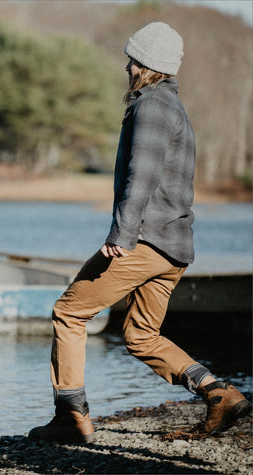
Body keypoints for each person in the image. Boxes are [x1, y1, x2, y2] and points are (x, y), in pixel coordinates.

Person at [29, 22, 251, 444]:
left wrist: (122, 233)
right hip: (174, 249)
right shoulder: (175, 109)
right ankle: (218, 393)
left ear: (147, 65)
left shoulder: (151, 106)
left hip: (144, 242)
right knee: (140, 335)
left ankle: (71, 418)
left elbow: (142, 175)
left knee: (69, 312)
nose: (127, 65)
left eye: (133, 58)